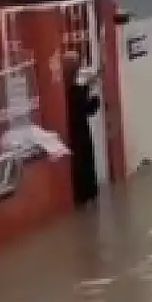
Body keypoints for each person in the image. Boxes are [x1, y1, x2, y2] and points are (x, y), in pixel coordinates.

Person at [64, 52, 101, 208]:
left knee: (84, 160)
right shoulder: (73, 90)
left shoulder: (73, 88)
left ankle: (87, 194)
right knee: (82, 161)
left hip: (77, 130)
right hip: (76, 131)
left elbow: (88, 108)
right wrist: (92, 92)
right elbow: (87, 108)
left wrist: (91, 91)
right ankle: (85, 194)